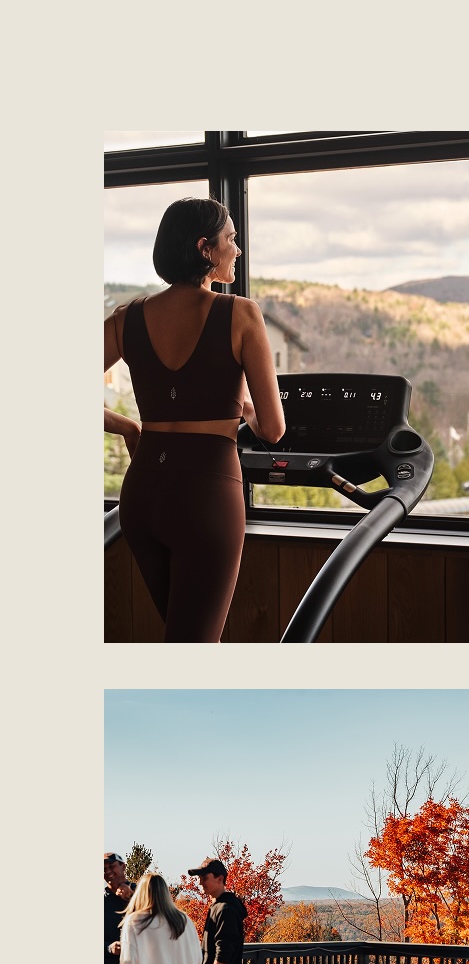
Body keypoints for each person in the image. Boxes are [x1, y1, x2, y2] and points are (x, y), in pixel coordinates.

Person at [103, 198, 286, 642]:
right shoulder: (241, 314)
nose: (237, 250)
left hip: (142, 495)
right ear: (206, 249)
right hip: (206, 496)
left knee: (183, 640)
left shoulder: (125, 319)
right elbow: (274, 429)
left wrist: (129, 427)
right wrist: (241, 407)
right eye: (231, 240)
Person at [103, 852, 136, 964]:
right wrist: (109, 947)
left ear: (123, 866)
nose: (107, 871)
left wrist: (131, 898)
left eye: (112, 866)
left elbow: (160, 919)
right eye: (103, 868)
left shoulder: (142, 893)